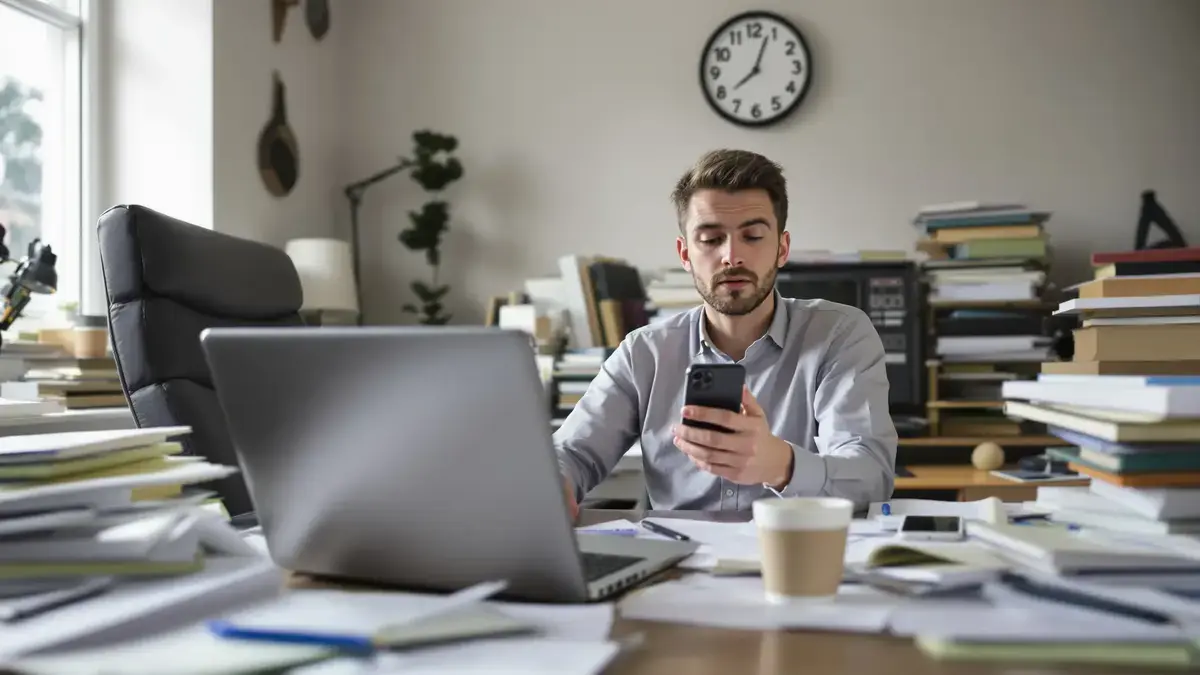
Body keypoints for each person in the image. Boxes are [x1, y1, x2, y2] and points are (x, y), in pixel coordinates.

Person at [555, 149, 897, 520]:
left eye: (752, 236)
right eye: (711, 239)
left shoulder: (840, 335)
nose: (732, 256)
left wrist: (780, 465)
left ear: (781, 248)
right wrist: (555, 484)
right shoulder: (645, 352)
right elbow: (572, 453)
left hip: (796, 555)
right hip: (677, 563)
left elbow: (871, 474)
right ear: (685, 253)